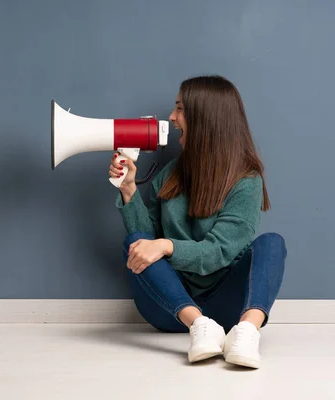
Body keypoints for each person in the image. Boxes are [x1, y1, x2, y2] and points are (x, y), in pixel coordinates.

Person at [109, 75, 287, 369]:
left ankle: (247, 331)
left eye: (180, 109)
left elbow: (218, 252)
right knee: (135, 243)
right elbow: (148, 240)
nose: (171, 117)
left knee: (272, 244)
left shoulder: (246, 181)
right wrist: (128, 189)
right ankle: (199, 326)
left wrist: (167, 245)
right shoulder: (170, 174)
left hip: (227, 310)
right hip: (171, 308)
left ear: (205, 118)